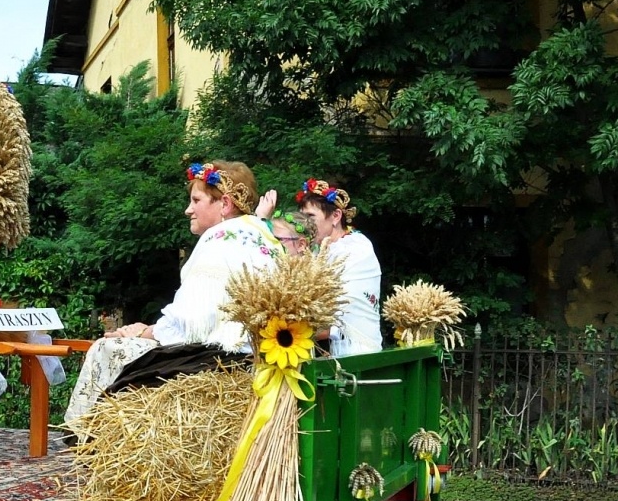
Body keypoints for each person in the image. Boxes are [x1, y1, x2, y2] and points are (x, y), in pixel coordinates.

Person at [64, 160, 281, 429]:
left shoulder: (220, 239)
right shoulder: (263, 236)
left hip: (218, 358)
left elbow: (191, 323)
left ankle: (90, 436)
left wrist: (141, 331)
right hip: (258, 355)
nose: (188, 209)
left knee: (108, 348)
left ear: (224, 203)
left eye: (196, 200)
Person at [294, 178, 382, 356]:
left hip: (361, 354)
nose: (304, 223)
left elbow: (335, 308)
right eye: (302, 217)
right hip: (340, 353)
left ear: (335, 216)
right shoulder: (322, 249)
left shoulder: (356, 248)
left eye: (310, 216)